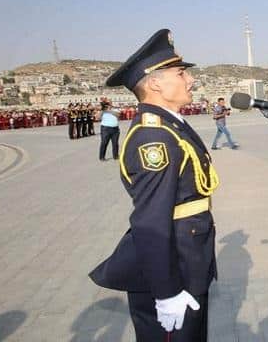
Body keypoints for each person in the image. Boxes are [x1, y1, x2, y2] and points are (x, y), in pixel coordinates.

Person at [90, 29, 219, 341]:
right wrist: (166, 292)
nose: (190, 80)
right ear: (155, 83)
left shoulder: (171, 125)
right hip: (173, 269)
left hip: (188, 258)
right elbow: (150, 221)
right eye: (180, 72)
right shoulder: (154, 137)